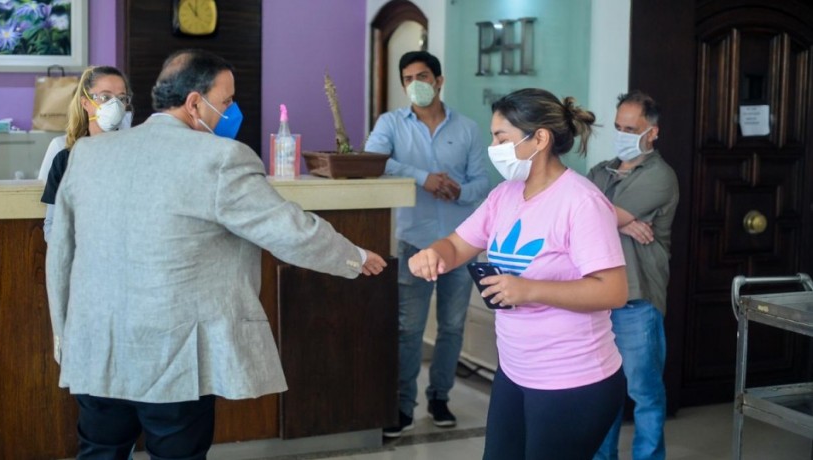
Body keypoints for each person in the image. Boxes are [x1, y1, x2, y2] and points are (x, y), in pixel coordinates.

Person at [44, 49, 388, 459]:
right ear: (194, 103)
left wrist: (64, 332)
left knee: (99, 451)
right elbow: (288, 230)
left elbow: (61, 250)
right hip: (172, 358)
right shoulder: (220, 158)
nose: (231, 111)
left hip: (96, 343)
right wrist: (352, 257)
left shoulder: (87, 154)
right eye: (225, 101)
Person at [408, 88, 629, 459]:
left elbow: (613, 290)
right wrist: (433, 254)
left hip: (573, 379)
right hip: (515, 371)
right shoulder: (504, 195)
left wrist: (529, 290)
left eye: (501, 137)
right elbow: (458, 245)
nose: (493, 147)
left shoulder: (581, 202)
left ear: (539, 138)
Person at [364, 50, 491, 437]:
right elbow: (373, 159)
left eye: (422, 76)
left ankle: (440, 398)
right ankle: (402, 406)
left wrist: (460, 192)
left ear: (439, 80)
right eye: (407, 79)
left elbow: (483, 182)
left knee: (452, 327)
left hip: (460, 242)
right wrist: (423, 177)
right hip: (414, 242)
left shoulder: (467, 128)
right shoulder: (391, 123)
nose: (415, 84)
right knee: (408, 328)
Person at [588, 91, 679, 460]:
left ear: (652, 132)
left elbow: (589, 216)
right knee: (603, 391)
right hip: (596, 296)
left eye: (631, 129)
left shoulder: (660, 176)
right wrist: (624, 224)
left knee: (644, 392)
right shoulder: (600, 171)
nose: (622, 134)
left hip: (637, 299)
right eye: (618, 127)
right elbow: (576, 219)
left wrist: (606, 218)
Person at [38, 65, 133, 241]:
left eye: (122, 99)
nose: (115, 105)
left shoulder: (135, 158)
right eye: (105, 97)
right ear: (86, 102)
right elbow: (52, 225)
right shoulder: (65, 159)